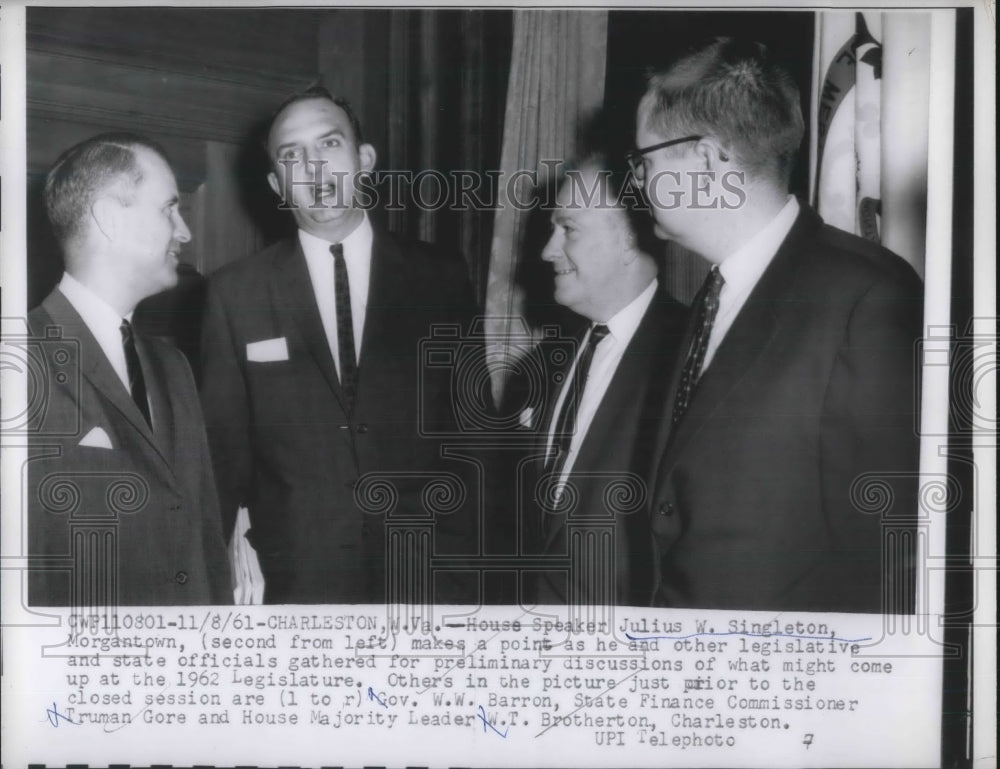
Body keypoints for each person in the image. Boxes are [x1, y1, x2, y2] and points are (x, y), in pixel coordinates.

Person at [632, 38, 923, 613]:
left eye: (645, 161)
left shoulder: (867, 298)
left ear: (709, 160)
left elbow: (894, 551)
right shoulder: (709, 301)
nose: (638, 182)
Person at [200, 87, 482, 604]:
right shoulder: (232, 294)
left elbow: (470, 437)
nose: (312, 167)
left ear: (365, 160)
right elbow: (221, 457)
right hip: (298, 585)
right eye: (291, 156)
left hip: (431, 581)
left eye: (329, 144)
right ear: (276, 183)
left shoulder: (440, 277)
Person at [27, 133, 232, 606]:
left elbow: (203, 542)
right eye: (168, 209)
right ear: (110, 220)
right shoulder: (19, 362)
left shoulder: (173, 366)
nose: (185, 232)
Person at [523, 160, 686, 606]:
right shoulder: (547, 362)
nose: (547, 251)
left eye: (568, 229)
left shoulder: (692, 357)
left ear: (629, 238)